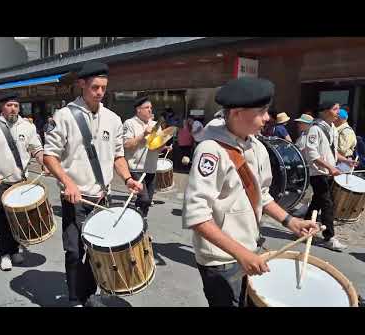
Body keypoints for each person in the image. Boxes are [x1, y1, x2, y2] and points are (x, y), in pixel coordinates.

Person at [182, 77, 319, 307]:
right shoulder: (211, 151)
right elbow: (197, 216)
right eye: (262, 111)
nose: (268, 117)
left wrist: (290, 221)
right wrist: (241, 254)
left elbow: (262, 194)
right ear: (236, 113)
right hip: (221, 260)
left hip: (248, 251)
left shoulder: (257, 146)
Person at [43, 61, 143, 307]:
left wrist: (128, 178)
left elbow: (118, 155)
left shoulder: (113, 118)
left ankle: (91, 292)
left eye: (103, 88)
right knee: (76, 251)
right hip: (75, 198)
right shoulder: (64, 116)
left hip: (101, 197)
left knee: (99, 250)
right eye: (95, 87)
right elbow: (49, 155)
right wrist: (68, 182)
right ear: (81, 85)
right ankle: (77, 298)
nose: (100, 92)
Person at [0, 94, 47, 271]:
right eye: (9, 105)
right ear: (2, 106)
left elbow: (36, 149)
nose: (13, 108)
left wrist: (44, 162)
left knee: (17, 218)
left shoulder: (27, 126)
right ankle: (4, 254)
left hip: (20, 181)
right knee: (2, 218)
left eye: (16, 105)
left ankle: (15, 249)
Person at [302, 101, 358, 252]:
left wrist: (346, 160)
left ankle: (304, 228)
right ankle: (329, 238)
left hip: (327, 173)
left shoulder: (332, 127)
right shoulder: (315, 129)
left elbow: (332, 152)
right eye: (335, 109)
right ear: (325, 111)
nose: (338, 112)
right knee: (328, 204)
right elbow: (312, 154)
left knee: (317, 202)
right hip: (319, 173)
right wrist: (330, 167)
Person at [123, 96, 172, 219]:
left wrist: (162, 144)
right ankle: (134, 219)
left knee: (148, 201)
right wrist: (144, 135)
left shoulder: (156, 125)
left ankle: (141, 223)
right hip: (136, 168)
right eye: (146, 107)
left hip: (151, 167)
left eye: (151, 107)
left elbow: (158, 148)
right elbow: (127, 144)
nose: (150, 110)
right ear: (138, 110)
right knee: (143, 198)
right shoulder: (130, 123)